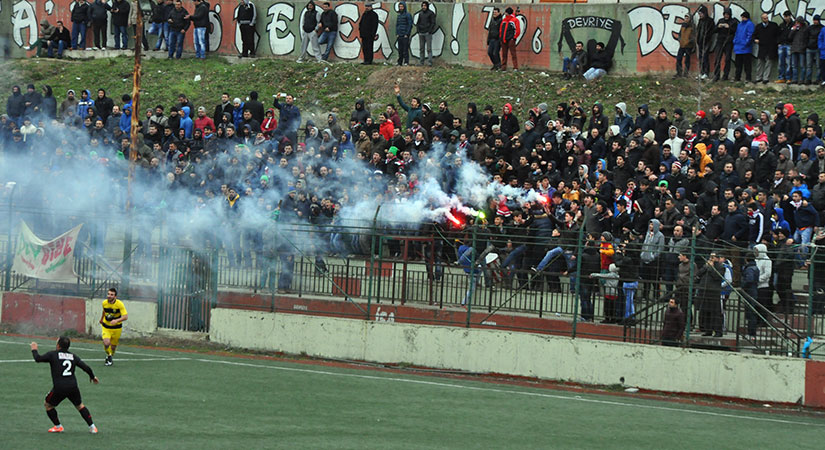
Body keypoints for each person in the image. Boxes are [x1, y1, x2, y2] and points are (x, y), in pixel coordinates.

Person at [31, 337, 99, 434]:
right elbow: (86, 367)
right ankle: (92, 427)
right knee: (80, 406)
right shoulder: (73, 356)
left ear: (58, 345)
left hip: (60, 388)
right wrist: (92, 377)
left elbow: (38, 359)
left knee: (48, 405)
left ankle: (58, 426)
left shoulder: (53, 354)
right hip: (73, 386)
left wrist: (34, 349)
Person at [100, 287, 128, 366]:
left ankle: (110, 355)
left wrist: (116, 321)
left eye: (112, 295)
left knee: (113, 347)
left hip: (117, 328)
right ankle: (109, 356)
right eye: (108, 294)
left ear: (115, 297)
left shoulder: (119, 304)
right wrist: (101, 319)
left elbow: (125, 316)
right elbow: (104, 311)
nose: (109, 296)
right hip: (106, 327)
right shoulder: (104, 303)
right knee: (106, 343)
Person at [712, 7, 737, 82]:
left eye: (727, 14)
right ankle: (716, 75)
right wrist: (718, 27)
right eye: (725, 14)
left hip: (728, 42)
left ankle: (725, 75)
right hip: (720, 41)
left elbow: (735, 31)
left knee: (727, 59)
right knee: (717, 59)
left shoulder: (733, 22)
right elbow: (714, 30)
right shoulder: (720, 20)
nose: (726, 16)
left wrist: (729, 27)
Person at [753, 12, 779, 84]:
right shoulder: (758, 26)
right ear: (762, 19)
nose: (766, 19)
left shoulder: (773, 25)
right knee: (760, 62)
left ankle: (765, 78)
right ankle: (758, 77)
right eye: (764, 18)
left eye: (767, 18)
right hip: (762, 46)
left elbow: (778, 34)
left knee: (769, 62)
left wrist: (776, 43)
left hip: (771, 47)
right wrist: (755, 39)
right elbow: (754, 35)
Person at [733, 11, 754, 83]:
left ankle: (748, 78)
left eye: (743, 17)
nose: (742, 18)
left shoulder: (750, 24)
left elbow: (750, 35)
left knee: (747, 65)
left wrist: (746, 43)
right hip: (738, 47)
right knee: (738, 64)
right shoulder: (739, 24)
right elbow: (736, 33)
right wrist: (735, 41)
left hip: (746, 48)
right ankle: (737, 77)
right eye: (742, 17)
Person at [695, 5, 714, 80]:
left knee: (705, 57)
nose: (700, 15)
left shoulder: (710, 21)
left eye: (701, 14)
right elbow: (698, 30)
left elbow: (711, 31)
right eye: (699, 14)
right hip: (700, 42)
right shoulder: (700, 21)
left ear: (705, 13)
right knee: (700, 58)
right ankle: (702, 72)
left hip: (707, 42)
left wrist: (706, 38)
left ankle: (706, 73)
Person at [500, 7, 520, 72]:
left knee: (513, 53)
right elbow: (501, 30)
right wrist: (501, 37)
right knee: (504, 54)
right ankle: (503, 67)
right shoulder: (504, 20)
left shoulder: (514, 20)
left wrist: (513, 38)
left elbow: (517, 30)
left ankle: (515, 67)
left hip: (510, 39)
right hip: (504, 39)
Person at [675, 13, 695, 78]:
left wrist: (689, 41)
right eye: (685, 18)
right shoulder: (683, 25)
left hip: (688, 46)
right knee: (678, 58)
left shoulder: (692, 26)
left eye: (687, 18)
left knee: (687, 60)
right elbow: (680, 34)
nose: (686, 19)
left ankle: (686, 73)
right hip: (682, 45)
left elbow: (694, 36)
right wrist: (680, 40)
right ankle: (679, 72)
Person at [417, 1, 436, 66]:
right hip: (421, 33)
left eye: (425, 6)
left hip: (428, 33)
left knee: (429, 49)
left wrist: (429, 31)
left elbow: (433, 23)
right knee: (421, 49)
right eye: (422, 6)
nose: (423, 7)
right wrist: (418, 30)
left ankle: (430, 62)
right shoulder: (420, 13)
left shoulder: (431, 13)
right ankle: (421, 62)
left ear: (427, 6)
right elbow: (418, 22)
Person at [776, 11, 794, 83]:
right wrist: (779, 42)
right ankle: (781, 78)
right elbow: (778, 34)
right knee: (781, 63)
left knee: (789, 63)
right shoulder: (781, 25)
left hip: (789, 45)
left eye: (787, 16)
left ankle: (788, 78)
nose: (786, 18)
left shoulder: (793, 25)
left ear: (790, 16)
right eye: (785, 16)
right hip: (781, 45)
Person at [395, 1, 412, 66]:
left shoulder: (408, 15)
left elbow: (410, 24)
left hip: (405, 35)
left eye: (402, 6)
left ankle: (406, 62)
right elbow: (397, 25)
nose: (400, 8)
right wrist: (397, 33)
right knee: (400, 50)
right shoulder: (399, 15)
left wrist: (407, 34)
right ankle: (400, 62)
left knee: (405, 49)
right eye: (400, 6)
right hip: (399, 35)